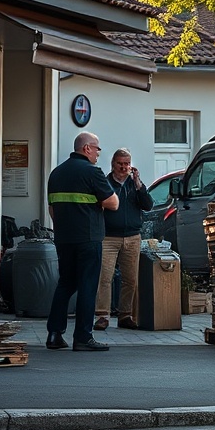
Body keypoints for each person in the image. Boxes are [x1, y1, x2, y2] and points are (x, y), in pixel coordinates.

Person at [46, 132, 119, 352]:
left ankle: (54, 334)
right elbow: (113, 203)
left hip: (64, 238)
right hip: (88, 238)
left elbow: (52, 209)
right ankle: (83, 337)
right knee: (88, 286)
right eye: (97, 149)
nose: (98, 153)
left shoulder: (56, 174)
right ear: (87, 148)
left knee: (66, 283)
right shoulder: (92, 172)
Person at [93, 148, 153, 332]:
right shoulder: (105, 182)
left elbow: (148, 205)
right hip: (109, 237)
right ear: (113, 164)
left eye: (127, 163)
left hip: (132, 236)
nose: (124, 167)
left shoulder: (134, 184)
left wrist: (139, 185)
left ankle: (125, 315)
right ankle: (102, 315)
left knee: (130, 279)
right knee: (105, 277)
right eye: (120, 163)